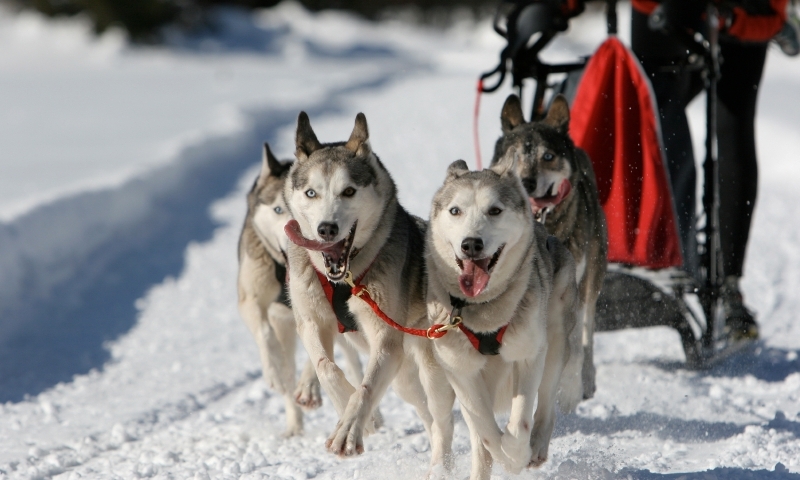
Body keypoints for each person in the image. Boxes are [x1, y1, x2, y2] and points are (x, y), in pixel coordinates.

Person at [629, 0, 796, 341]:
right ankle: (647, 249)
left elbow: (768, 13)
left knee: (733, 124)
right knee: (650, 117)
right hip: (658, 8)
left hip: (736, 10)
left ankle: (727, 285)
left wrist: (730, 18)